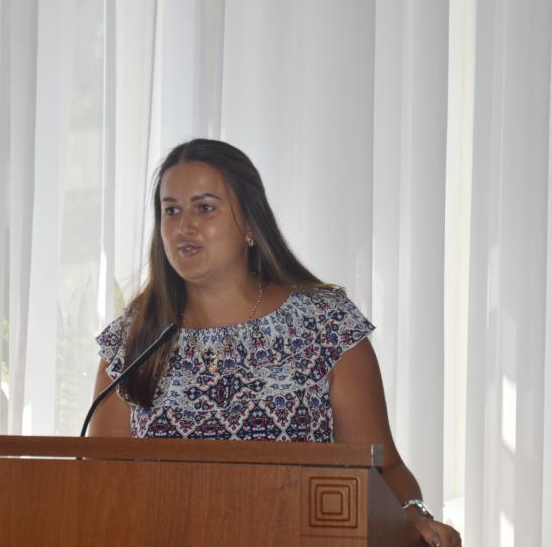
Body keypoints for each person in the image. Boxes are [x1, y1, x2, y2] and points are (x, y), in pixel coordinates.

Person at [89, 139, 461, 547]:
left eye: (205, 207)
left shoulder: (323, 325)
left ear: (250, 223)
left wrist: (412, 515)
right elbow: (100, 485)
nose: (184, 226)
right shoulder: (132, 343)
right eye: (171, 210)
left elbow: (383, 468)